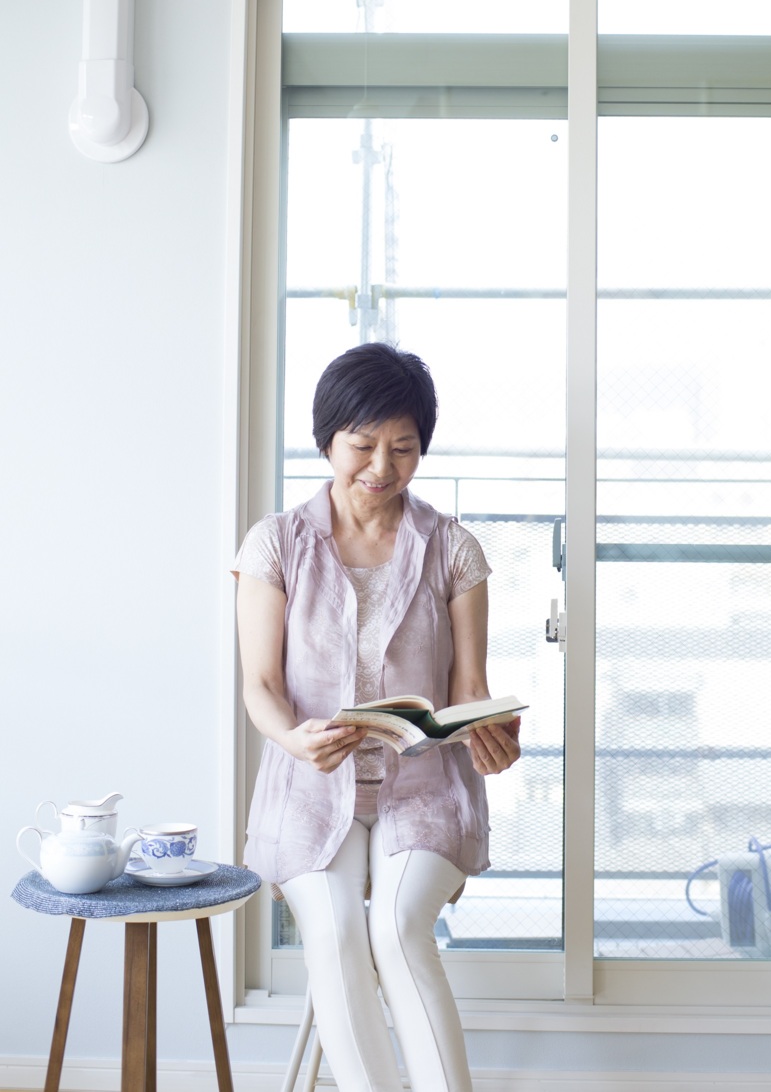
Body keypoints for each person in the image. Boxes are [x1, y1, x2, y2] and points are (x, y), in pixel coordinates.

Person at [233, 342, 521, 1092]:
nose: (382, 469)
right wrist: (294, 738)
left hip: (423, 788)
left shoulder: (454, 549)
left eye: (404, 449)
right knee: (331, 933)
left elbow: (466, 689)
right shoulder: (276, 543)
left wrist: (491, 736)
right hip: (309, 785)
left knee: (395, 930)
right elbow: (260, 685)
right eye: (363, 446)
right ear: (327, 438)